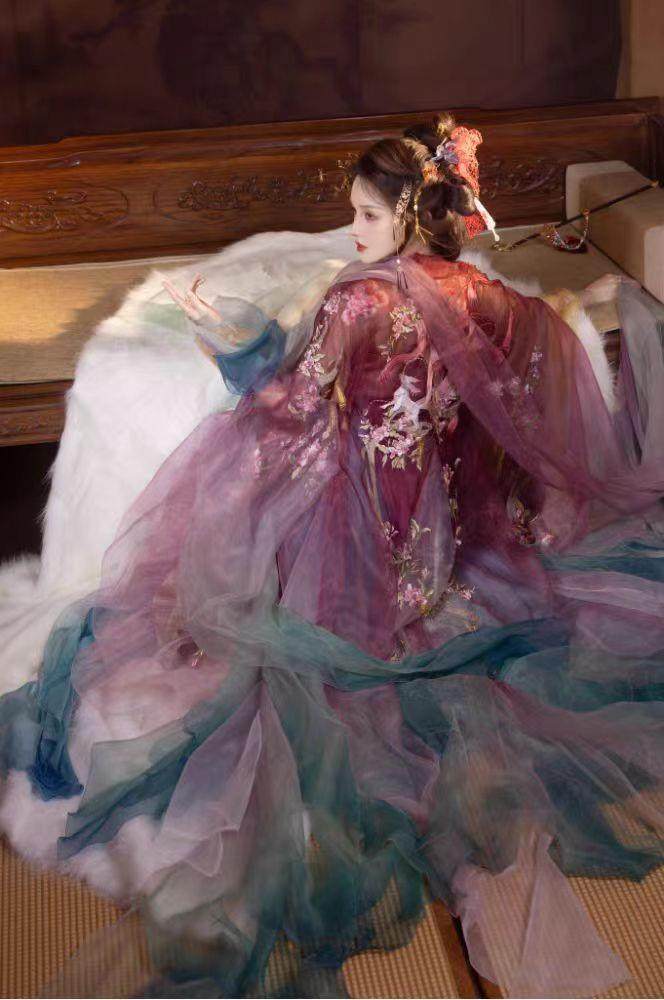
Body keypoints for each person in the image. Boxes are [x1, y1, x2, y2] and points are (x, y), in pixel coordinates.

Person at [0, 113, 662, 999]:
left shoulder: (358, 302)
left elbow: (289, 406)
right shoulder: (475, 290)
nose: (352, 231)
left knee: (235, 535)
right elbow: (531, 351)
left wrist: (229, 340)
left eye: (366, 216)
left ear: (408, 215)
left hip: (359, 548)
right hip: (441, 547)